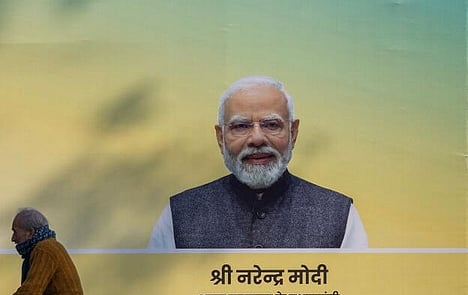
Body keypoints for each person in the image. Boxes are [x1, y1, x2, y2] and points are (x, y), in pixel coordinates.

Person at [148, 75, 368, 249]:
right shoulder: (180, 214)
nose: (256, 139)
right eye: (241, 126)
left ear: (293, 132)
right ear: (220, 137)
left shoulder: (339, 214)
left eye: (271, 125)